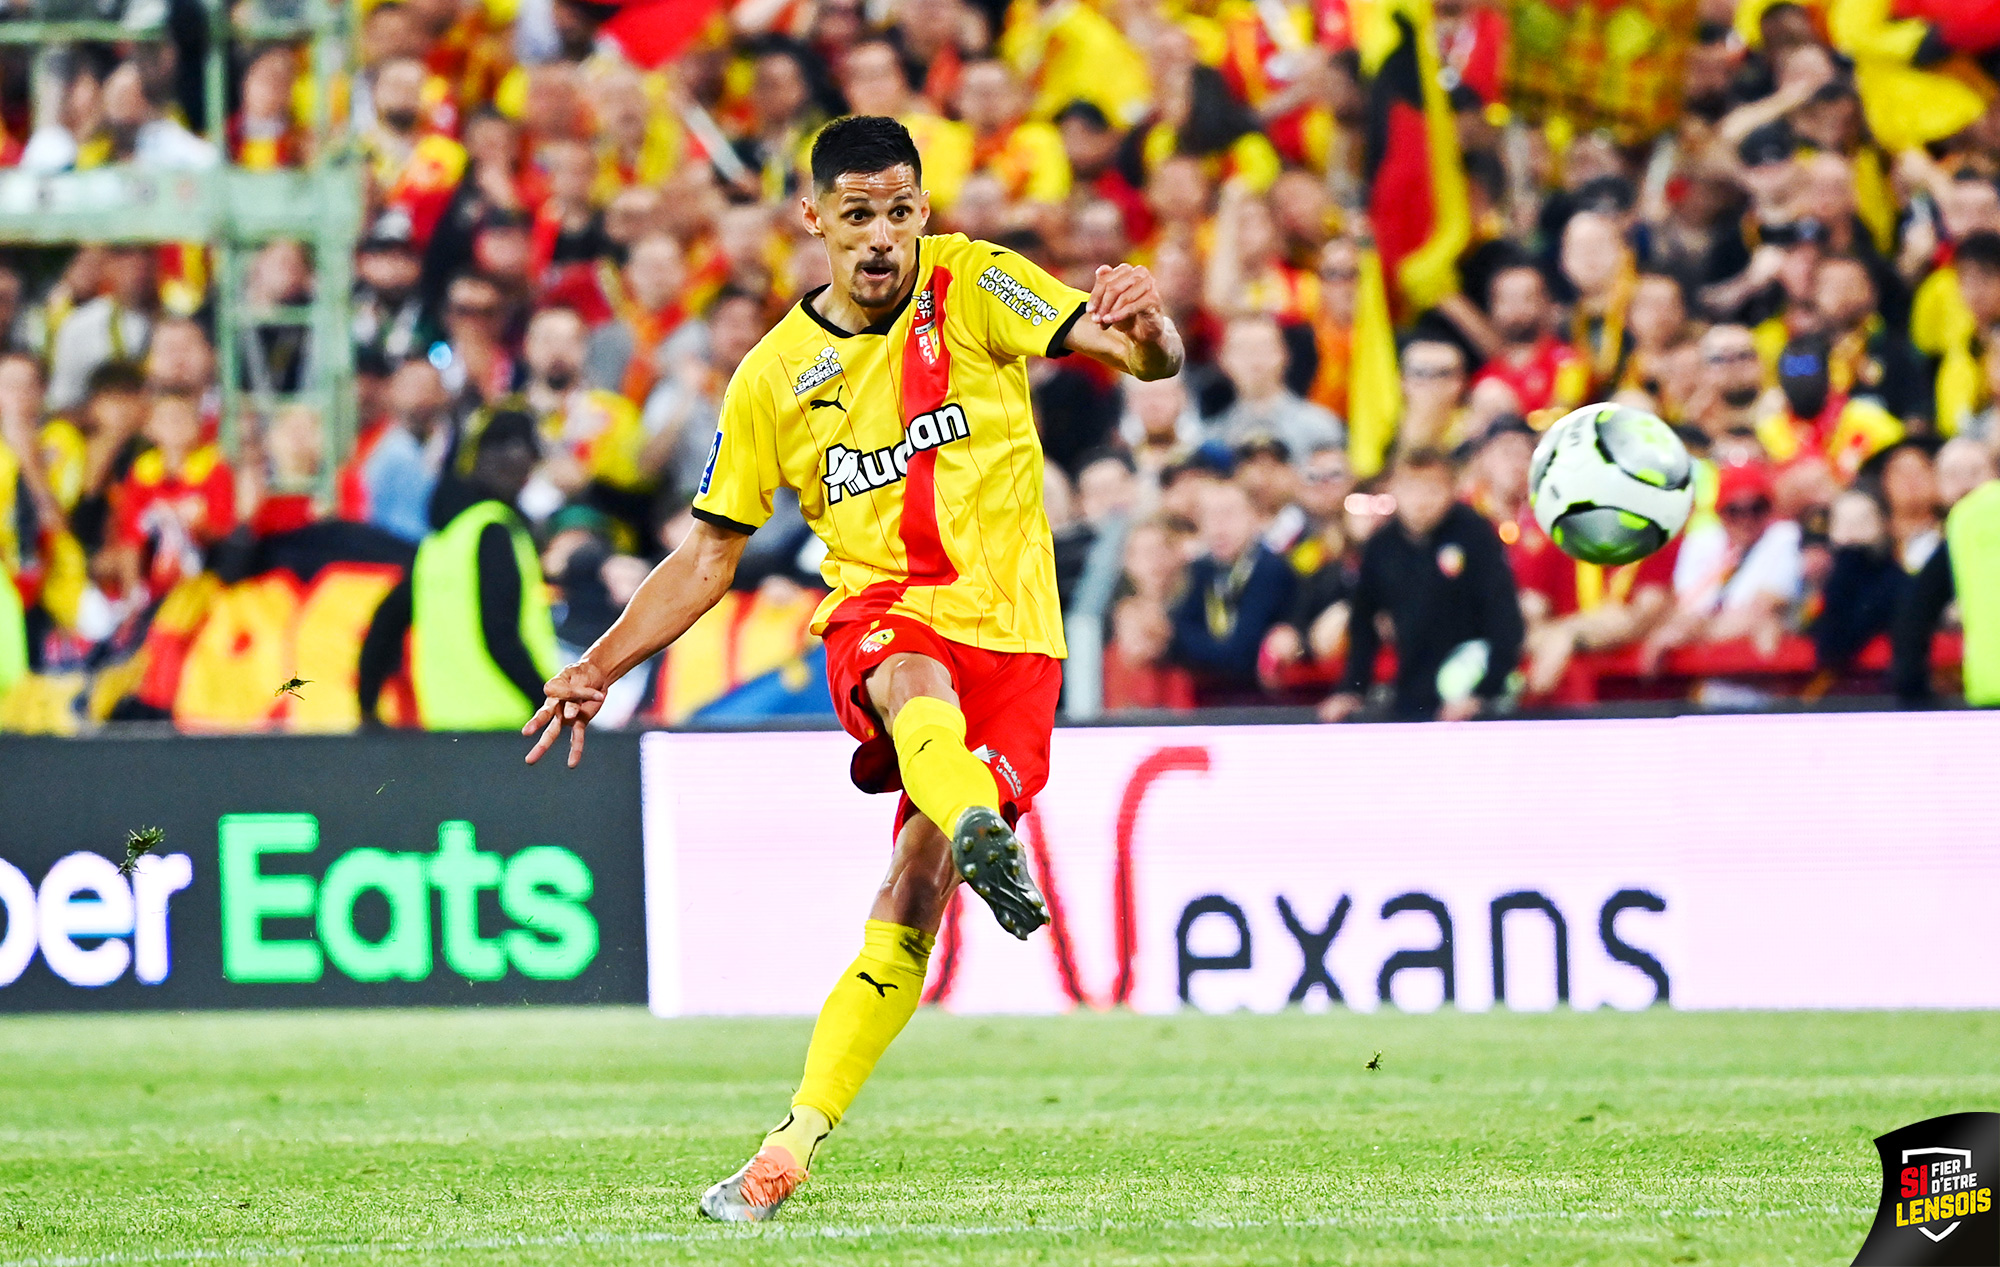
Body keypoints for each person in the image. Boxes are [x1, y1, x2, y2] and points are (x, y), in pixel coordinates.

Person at [519, 116, 1183, 1219]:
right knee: (901, 670)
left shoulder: (975, 284)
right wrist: (597, 661)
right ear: (813, 218)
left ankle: (797, 1130)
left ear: (923, 209)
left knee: (909, 896)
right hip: (882, 611)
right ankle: (968, 830)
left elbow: (1137, 358)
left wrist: (1149, 323)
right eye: (858, 215)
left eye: (900, 212)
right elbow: (708, 553)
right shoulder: (773, 377)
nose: (881, 238)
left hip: (1015, 631)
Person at [358, 408, 559, 729]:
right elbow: (499, 636)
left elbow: (387, 620)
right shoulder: (494, 529)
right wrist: (549, 704)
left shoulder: (440, 543)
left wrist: (367, 705)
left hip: (447, 730)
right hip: (512, 724)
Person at [1319, 448, 1523, 721]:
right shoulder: (1381, 546)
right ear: (1394, 491)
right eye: (1411, 489)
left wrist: (1483, 694)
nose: (1421, 501)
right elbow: (1363, 623)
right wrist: (1352, 689)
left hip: (1474, 688)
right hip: (1412, 688)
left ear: (1451, 489)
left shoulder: (1475, 534)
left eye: (1432, 489)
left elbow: (1505, 618)